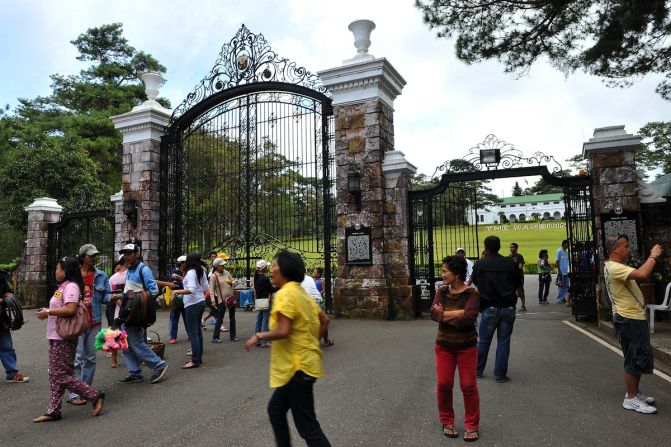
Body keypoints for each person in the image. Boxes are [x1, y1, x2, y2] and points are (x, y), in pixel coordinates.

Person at [245, 250, 332, 447]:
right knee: (276, 411)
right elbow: (325, 320)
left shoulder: (285, 294)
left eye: (275, 266)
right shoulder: (301, 293)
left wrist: (258, 336)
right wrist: (310, 344)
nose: (271, 270)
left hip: (296, 368)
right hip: (303, 365)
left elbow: (283, 331)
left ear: (285, 270)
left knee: (307, 426)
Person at [34, 257, 105, 422]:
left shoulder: (71, 286)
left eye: (58, 268)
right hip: (56, 335)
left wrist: (49, 312)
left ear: (65, 270)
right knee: (55, 374)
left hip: (63, 337)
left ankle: (94, 395)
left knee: (60, 374)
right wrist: (48, 312)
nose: (55, 271)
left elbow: (71, 309)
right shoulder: (63, 286)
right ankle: (54, 410)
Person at [604, 234, 663, 414]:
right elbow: (643, 274)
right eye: (626, 246)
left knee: (639, 356)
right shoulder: (614, 267)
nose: (629, 249)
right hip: (628, 319)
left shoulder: (617, 266)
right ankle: (631, 398)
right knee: (633, 358)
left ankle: (635, 393)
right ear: (616, 248)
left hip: (633, 317)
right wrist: (653, 255)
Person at [430, 256, 480, 442]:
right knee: (444, 384)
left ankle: (471, 424)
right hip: (444, 345)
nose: (442, 275)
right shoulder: (441, 291)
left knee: (468, 386)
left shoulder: (472, 294)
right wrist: (456, 313)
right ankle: (447, 420)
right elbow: (434, 314)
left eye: (445, 271)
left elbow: (469, 319)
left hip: (466, 346)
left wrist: (445, 314)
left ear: (457, 274)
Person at [471, 235, 521, 383]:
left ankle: (478, 370)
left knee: (484, 341)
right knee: (504, 342)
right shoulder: (510, 263)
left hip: (489, 306)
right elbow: (518, 282)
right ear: (499, 247)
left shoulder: (480, 264)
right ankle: (500, 374)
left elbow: (474, 281)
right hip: (507, 306)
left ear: (485, 248)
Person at [117, 243, 169, 384]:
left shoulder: (143, 270)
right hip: (127, 310)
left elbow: (153, 290)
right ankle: (135, 373)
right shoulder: (129, 270)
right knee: (126, 344)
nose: (126, 256)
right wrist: (124, 296)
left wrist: (136, 299)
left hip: (137, 312)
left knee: (137, 342)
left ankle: (159, 365)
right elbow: (130, 289)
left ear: (136, 254)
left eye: (129, 253)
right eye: (125, 254)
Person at [68, 244, 111, 406]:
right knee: (77, 358)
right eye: (91, 255)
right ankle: (74, 393)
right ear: (83, 257)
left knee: (91, 358)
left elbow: (106, 294)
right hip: (77, 321)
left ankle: (85, 390)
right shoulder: (73, 275)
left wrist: (113, 298)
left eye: (95, 256)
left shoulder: (101, 276)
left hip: (94, 321)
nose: (94, 258)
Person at [172, 253, 208, 368]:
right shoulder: (201, 270)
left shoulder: (191, 272)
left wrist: (176, 292)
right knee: (197, 331)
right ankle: (198, 358)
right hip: (201, 301)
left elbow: (191, 289)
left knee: (193, 332)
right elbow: (205, 287)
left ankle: (195, 360)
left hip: (192, 304)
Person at [0, 273, 29, 383]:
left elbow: (8, 293)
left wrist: (4, 299)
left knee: (6, 346)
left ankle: (12, 373)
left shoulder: (0, 277)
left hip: (1, 320)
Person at [209, 257, 238, 343]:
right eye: (222, 265)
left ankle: (233, 336)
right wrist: (213, 300)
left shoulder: (226, 273)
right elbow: (211, 289)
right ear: (217, 266)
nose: (223, 266)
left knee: (232, 318)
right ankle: (215, 337)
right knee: (220, 318)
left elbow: (232, 281)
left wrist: (233, 282)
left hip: (231, 298)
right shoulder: (214, 276)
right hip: (222, 300)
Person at [302, 271, 334, 347]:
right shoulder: (309, 278)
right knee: (323, 321)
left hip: (308, 301)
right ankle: (326, 341)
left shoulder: (296, 279)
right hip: (318, 300)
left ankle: (310, 343)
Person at [107, 257, 127, 368]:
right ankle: (139, 360)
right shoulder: (132, 275)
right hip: (132, 312)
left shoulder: (112, 279)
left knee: (114, 336)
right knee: (133, 336)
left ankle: (114, 362)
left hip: (118, 312)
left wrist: (121, 306)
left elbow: (113, 297)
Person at [254, 259, 275, 348]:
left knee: (258, 320)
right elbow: (272, 289)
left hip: (259, 301)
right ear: (264, 268)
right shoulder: (265, 279)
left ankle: (258, 340)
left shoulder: (256, 277)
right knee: (265, 321)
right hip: (265, 300)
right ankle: (264, 342)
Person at [167, 256, 187, 344]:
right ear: (181, 263)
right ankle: (173, 337)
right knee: (174, 317)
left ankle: (190, 334)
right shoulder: (175, 271)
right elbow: (173, 283)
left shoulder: (188, 271)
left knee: (187, 317)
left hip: (186, 296)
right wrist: (181, 282)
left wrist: (180, 281)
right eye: (185, 262)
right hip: (176, 297)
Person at [508, 243, 526, 312]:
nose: (511, 248)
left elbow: (521, 265)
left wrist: (519, 266)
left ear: (516, 248)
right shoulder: (509, 257)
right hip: (511, 277)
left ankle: (523, 305)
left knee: (520, 291)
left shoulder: (519, 256)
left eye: (512, 247)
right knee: (512, 292)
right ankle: (512, 305)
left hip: (518, 277)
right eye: (510, 247)